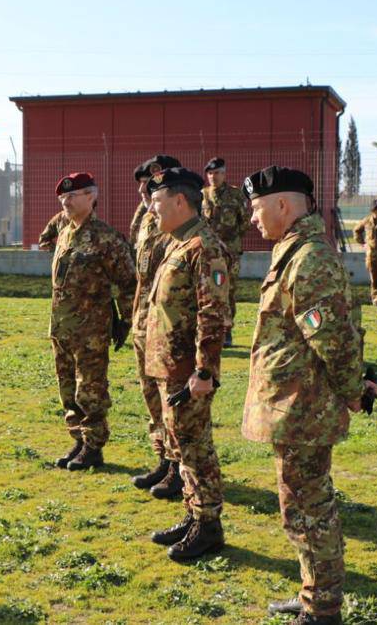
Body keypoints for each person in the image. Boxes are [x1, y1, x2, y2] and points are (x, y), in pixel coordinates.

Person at [240, 166, 376, 625]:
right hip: (292, 404)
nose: (253, 218)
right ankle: (312, 592)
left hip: (305, 408)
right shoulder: (294, 252)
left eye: (257, 208)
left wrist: (354, 390)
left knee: (309, 509)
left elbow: (332, 338)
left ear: (283, 205)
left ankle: (323, 609)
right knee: (298, 506)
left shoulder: (309, 258)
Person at [142, 168, 231, 561]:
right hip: (168, 365)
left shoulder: (203, 246)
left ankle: (209, 525)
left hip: (187, 371)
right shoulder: (177, 242)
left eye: (158, 201)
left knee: (196, 448)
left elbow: (214, 313)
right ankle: (193, 515)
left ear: (180, 201)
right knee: (180, 447)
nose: (152, 209)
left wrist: (204, 371)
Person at [50, 172, 136, 471]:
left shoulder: (106, 238)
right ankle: (78, 439)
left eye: (73, 196)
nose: (66, 201)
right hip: (62, 327)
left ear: (92, 196)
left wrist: (126, 321)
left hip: (91, 329)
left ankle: (94, 446)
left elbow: (128, 283)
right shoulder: (64, 232)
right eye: (63, 197)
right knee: (67, 389)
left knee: (90, 389)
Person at [128, 155, 185, 500]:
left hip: (166, 323)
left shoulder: (181, 219)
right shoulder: (145, 217)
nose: (144, 190)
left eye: (152, 185)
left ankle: (179, 468)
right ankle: (163, 460)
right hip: (143, 319)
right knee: (151, 397)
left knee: (170, 400)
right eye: (142, 184)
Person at [201, 157, 250, 347]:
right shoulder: (202, 196)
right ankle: (210, 329)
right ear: (207, 175)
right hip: (208, 253)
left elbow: (244, 222)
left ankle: (227, 331)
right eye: (211, 173)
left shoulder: (235, 195)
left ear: (225, 174)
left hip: (230, 252)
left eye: (218, 172)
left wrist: (231, 240)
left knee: (228, 291)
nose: (215, 176)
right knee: (209, 290)